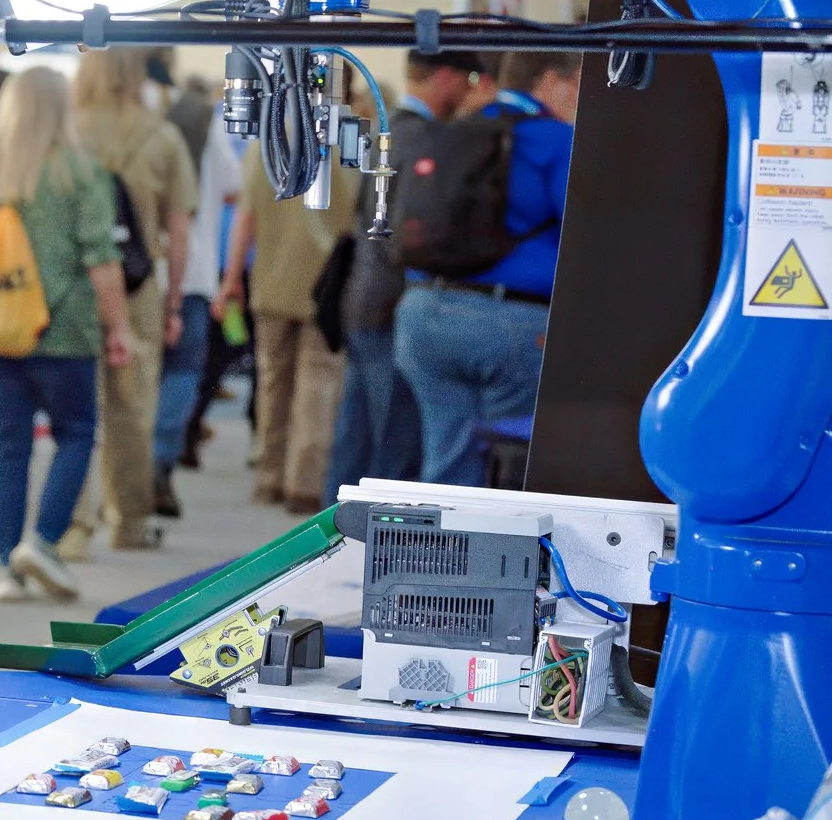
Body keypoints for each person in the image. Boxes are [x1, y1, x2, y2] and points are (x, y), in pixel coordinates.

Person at [0, 68, 128, 603]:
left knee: (6, 448)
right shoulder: (80, 172)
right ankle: (44, 542)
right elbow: (102, 259)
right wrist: (118, 326)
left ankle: (10, 567)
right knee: (75, 433)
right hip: (64, 331)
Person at [393, 51, 580, 485]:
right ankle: (497, 553)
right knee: (510, 468)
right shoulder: (555, 140)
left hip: (422, 315)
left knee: (446, 461)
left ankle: (438, 552)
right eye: (576, 85)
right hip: (510, 324)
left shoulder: (448, 133)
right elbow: (583, 235)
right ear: (551, 79)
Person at [324, 50, 497, 502]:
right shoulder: (424, 138)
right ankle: (374, 547)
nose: (471, 91)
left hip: (363, 298)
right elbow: (409, 233)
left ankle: (331, 541)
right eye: (469, 78)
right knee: (394, 444)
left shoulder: (390, 130)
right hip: (391, 303)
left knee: (356, 437)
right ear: (445, 77)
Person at [68, 50, 193, 552]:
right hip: (141, 288)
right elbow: (179, 231)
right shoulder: (161, 137)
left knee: (77, 412)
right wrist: (176, 301)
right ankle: (130, 523)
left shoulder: (66, 131)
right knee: (133, 407)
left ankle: (73, 526)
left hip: (74, 288)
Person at [219, 102, 350, 512]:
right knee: (319, 383)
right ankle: (304, 483)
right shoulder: (350, 148)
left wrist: (231, 278)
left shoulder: (266, 145)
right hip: (327, 286)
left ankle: (268, 476)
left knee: (272, 379)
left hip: (271, 278)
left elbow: (246, 217)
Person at [153, 111, 240, 520]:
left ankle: (130, 474)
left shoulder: (140, 130)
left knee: (134, 383)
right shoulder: (209, 133)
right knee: (183, 375)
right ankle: (160, 460)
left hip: (139, 274)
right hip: (195, 274)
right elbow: (236, 189)